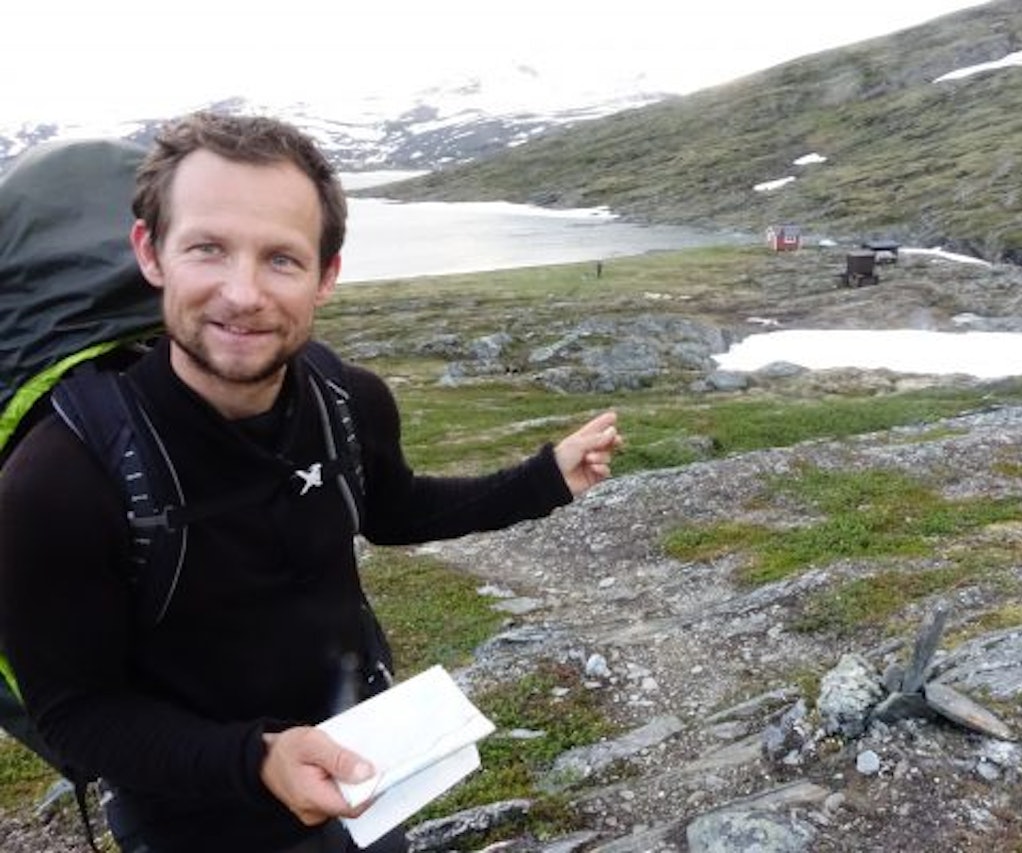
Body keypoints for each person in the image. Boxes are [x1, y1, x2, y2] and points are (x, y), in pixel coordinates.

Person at [0, 111, 622, 853]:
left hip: (360, 764)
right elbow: (78, 713)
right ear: (151, 252)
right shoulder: (60, 479)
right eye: (208, 249)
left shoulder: (345, 399)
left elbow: (390, 508)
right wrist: (259, 760)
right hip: (190, 815)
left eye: (281, 259)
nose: (242, 292)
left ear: (326, 274)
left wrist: (542, 478)